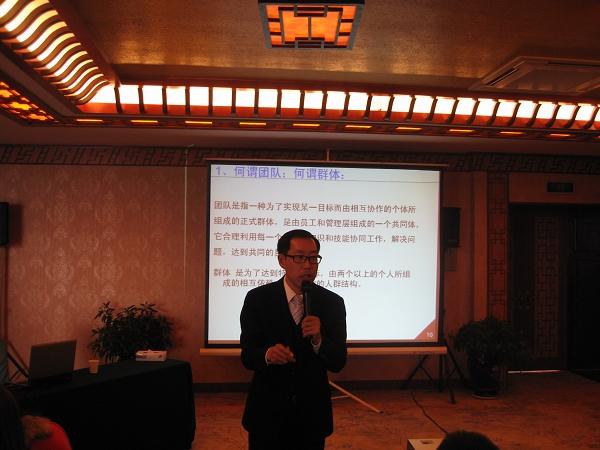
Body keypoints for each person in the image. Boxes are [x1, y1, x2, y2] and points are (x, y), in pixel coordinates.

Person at [240, 229, 347, 450]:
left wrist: (319, 340)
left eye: (313, 258)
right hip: (267, 413)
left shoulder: (332, 303)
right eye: (299, 257)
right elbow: (248, 355)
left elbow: (338, 361)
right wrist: (267, 355)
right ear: (282, 260)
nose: (308, 265)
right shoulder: (258, 299)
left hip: (312, 415)